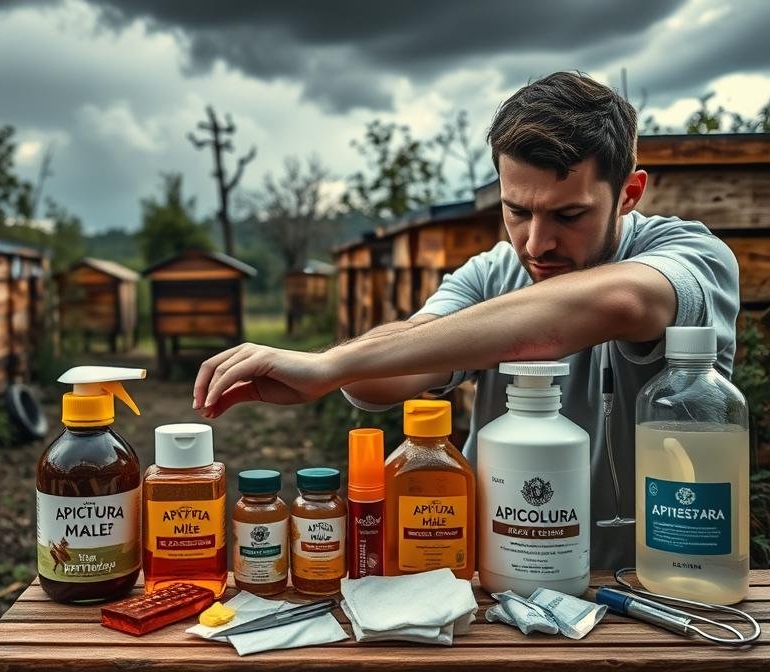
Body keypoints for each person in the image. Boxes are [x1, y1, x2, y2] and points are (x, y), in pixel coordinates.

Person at [192, 71, 739, 569]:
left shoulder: (690, 256)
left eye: (569, 215)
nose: (536, 242)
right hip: (493, 586)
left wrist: (333, 362)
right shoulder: (490, 272)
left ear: (629, 194)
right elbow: (389, 376)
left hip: (642, 586)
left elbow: (618, 303)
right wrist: (331, 370)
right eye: (516, 211)